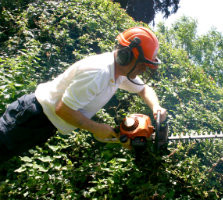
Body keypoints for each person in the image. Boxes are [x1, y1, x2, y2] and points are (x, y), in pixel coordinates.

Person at [0, 27, 167, 163]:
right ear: (127, 56)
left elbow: (144, 89)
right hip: (31, 117)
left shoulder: (119, 72)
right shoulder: (99, 73)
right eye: (142, 65)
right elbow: (63, 110)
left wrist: (156, 107)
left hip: (42, 124)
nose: (143, 70)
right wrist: (98, 128)